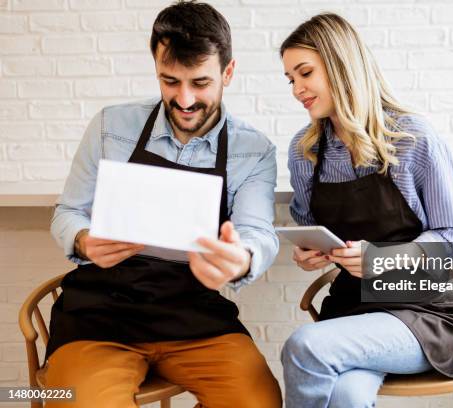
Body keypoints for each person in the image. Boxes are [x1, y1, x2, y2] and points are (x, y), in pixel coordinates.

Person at [43, 2, 281, 407]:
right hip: (100, 316)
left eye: (200, 83)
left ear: (228, 72)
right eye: (170, 81)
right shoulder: (110, 126)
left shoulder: (253, 150)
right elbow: (68, 212)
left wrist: (239, 259)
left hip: (195, 315)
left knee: (259, 401)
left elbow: (259, 233)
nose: (184, 100)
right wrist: (84, 241)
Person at [280, 13, 453, 408]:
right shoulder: (305, 152)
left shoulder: (413, 139)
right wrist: (309, 250)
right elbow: (310, 224)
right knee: (346, 396)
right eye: (290, 79)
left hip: (422, 312)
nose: (297, 89)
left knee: (303, 345)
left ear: (340, 65)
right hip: (352, 311)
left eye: (305, 73)